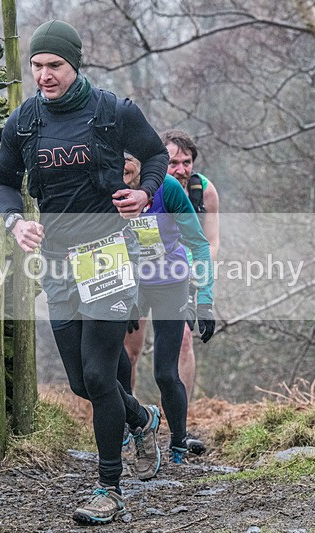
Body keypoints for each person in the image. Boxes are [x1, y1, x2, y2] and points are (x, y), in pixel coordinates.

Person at [0, 20, 169, 525]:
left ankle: (108, 488)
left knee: (97, 372)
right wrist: (15, 221)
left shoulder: (112, 111)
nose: (44, 75)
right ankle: (141, 417)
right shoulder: (24, 121)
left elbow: (155, 154)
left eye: (55, 65)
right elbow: (4, 181)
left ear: (75, 64)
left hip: (107, 251)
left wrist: (145, 192)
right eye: (37, 66)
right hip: (56, 259)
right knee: (80, 382)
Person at [123, 129, 220, 456]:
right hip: (132, 282)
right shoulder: (112, 186)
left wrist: (204, 302)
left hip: (170, 281)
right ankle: (129, 425)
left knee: (166, 371)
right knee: (122, 357)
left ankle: (179, 439)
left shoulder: (170, 189)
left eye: (185, 162)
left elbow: (202, 245)